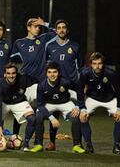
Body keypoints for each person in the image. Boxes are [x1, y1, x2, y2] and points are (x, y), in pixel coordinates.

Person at [9, 17, 55, 145]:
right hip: (24, 81)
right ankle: (15, 136)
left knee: (37, 111)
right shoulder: (19, 43)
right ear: (28, 28)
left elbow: (59, 32)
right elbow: (11, 59)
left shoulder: (43, 39)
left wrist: (44, 23)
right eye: (35, 26)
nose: (38, 28)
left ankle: (37, 140)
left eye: (39, 27)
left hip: (39, 81)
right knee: (19, 108)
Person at [44, 20, 83, 150]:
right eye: (59, 28)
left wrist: (80, 83)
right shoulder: (50, 46)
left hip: (71, 86)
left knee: (77, 114)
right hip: (55, 85)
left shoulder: (75, 46)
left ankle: (77, 143)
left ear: (67, 30)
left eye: (64, 28)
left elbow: (81, 67)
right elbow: (46, 65)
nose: (61, 30)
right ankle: (52, 143)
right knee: (54, 113)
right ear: (56, 30)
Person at [31, 61, 85, 153]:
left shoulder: (66, 82)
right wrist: (51, 118)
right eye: (49, 72)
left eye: (55, 72)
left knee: (76, 117)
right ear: (46, 73)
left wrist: (77, 106)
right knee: (39, 117)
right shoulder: (42, 85)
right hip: (49, 104)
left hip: (65, 103)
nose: (52, 75)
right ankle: (39, 144)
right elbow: (40, 105)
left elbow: (80, 91)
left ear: (59, 73)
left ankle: (76, 145)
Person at [79, 52, 120, 154]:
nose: (97, 66)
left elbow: (119, 91)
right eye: (94, 63)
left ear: (103, 64)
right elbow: (80, 91)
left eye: (99, 63)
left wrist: (119, 108)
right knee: (82, 117)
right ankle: (89, 146)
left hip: (110, 99)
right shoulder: (85, 73)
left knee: (119, 117)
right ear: (91, 64)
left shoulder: (111, 73)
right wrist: (82, 108)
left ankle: (116, 146)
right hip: (92, 98)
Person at [0, 63, 36, 152]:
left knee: (32, 119)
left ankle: (26, 145)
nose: (11, 76)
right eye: (8, 73)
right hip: (3, 103)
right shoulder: (0, 84)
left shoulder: (24, 79)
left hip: (19, 102)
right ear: (5, 74)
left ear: (17, 73)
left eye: (13, 73)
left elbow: (38, 80)